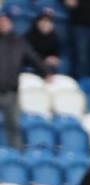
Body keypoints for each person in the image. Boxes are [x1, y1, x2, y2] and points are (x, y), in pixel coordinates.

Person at [0, 9, 49, 150]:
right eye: (0, 22)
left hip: (11, 91)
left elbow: (34, 58)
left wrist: (46, 72)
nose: (3, 24)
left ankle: (17, 155)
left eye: (5, 21)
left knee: (14, 126)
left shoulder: (19, 42)